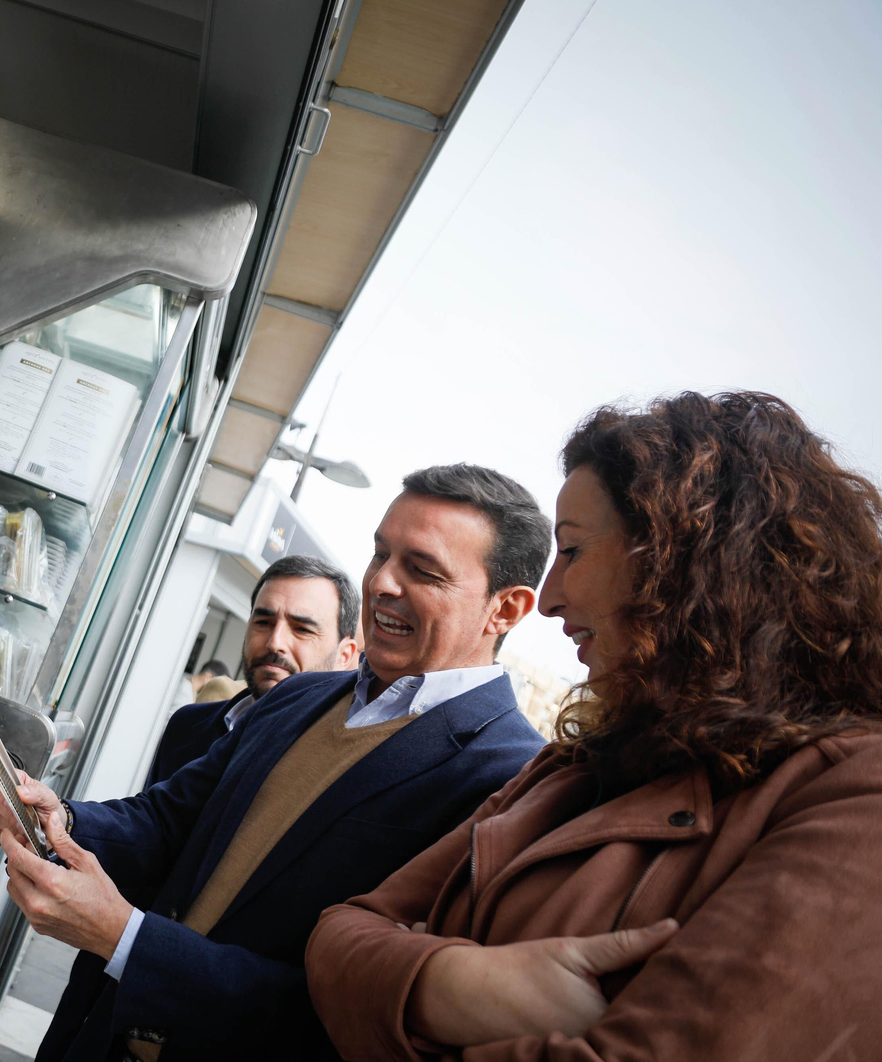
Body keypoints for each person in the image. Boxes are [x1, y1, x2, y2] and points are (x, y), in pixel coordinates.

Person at [305, 392, 882, 1062]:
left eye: (572, 550)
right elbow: (339, 931)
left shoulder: (854, 797)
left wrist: (399, 986)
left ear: (682, 559)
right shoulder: (571, 766)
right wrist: (463, 983)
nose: (549, 598)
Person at [0, 464, 552, 1062]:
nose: (382, 582)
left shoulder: (509, 782)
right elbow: (170, 820)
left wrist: (126, 937)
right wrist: (64, 822)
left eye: (422, 569)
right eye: (380, 554)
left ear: (506, 609)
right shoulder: (299, 697)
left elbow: (357, 1012)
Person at [145, 554, 359, 788]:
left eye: (302, 629)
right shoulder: (186, 726)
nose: (275, 642)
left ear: (344, 656)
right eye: (264, 623)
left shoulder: (347, 769)